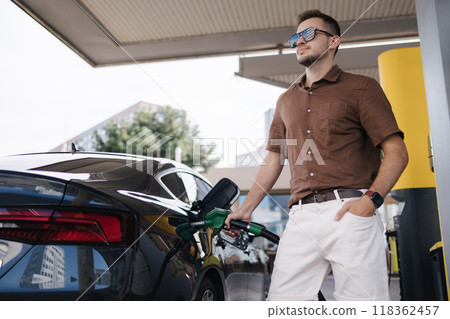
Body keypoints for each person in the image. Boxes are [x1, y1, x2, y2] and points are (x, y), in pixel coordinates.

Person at [225, 9, 408, 301]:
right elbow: (273, 160)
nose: (300, 41)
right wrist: (246, 210)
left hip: (351, 211)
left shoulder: (362, 88)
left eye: (309, 34)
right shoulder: (285, 101)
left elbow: (397, 152)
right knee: (282, 304)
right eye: (295, 37)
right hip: (301, 218)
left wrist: (370, 201)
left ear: (334, 41)